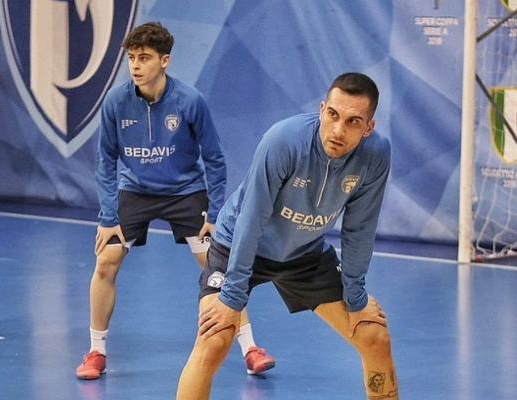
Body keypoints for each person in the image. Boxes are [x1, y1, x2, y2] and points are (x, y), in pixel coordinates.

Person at [176, 73, 399, 399]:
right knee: (214, 340)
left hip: (304, 253)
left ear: (369, 127)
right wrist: (232, 298)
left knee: (375, 337)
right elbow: (251, 219)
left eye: (353, 121)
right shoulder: (284, 141)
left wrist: (356, 298)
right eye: (333, 115)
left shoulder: (376, 154)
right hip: (239, 244)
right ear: (321, 109)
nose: (338, 130)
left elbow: (360, 229)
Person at [76, 21, 275, 380]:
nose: (135, 65)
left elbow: (214, 159)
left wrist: (214, 213)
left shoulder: (190, 101)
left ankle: (251, 348)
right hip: (135, 191)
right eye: (132, 58)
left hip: (185, 193)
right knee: (105, 261)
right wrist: (108, 217)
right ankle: (96, 351)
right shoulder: (116, 102)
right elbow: (106, 160)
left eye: (144, 58)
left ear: (164, 60)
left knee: (216, 268)